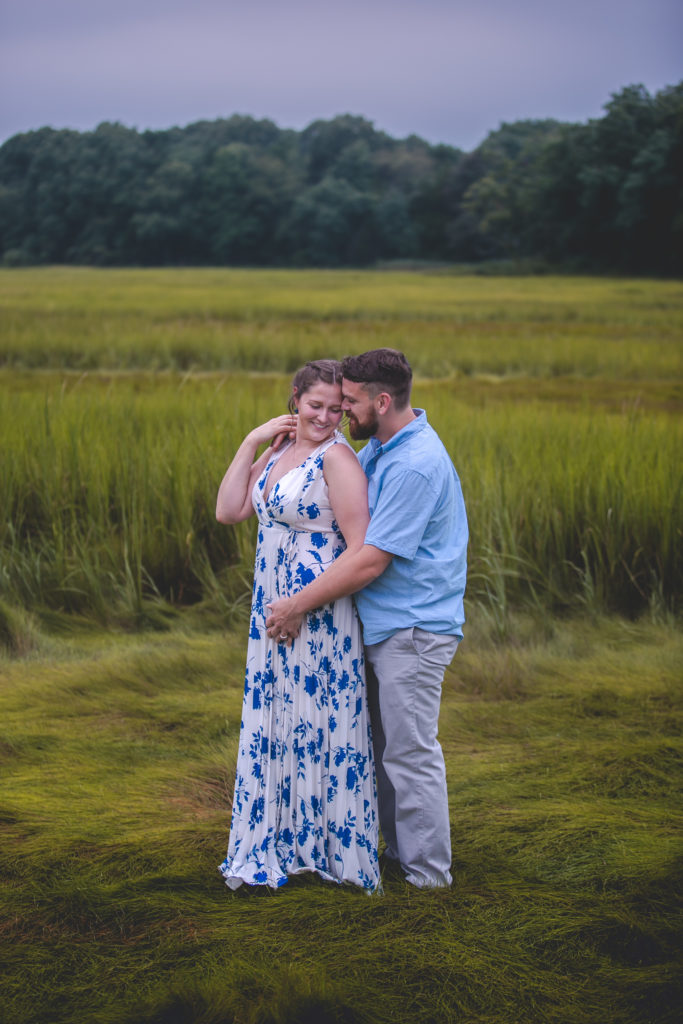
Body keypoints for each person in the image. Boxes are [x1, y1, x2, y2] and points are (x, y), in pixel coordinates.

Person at [266, 348, 468, 889]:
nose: (342, 411)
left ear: (381, 400)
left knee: (408, 753)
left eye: (350, 402)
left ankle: (428, 878)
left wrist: (296, 602)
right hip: (381, 625)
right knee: (379, 753)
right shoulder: (382, 445)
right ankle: (401, 859)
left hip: (413, 630)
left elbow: (371, 558)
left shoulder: (413, 464)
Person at [215, 359, 379, 892]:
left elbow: (360, 550)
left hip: (317, 615)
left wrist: (302, 604)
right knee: (279, 720)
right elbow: (229, 510)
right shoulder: (280, 450)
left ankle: (325, 850)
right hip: (272, 605)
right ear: (295, 399)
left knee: (315, 722)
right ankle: (278, 842)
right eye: (316, 406)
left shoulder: (339, 460)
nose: (327, 417)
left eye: (337, 408)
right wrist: (252, 440)